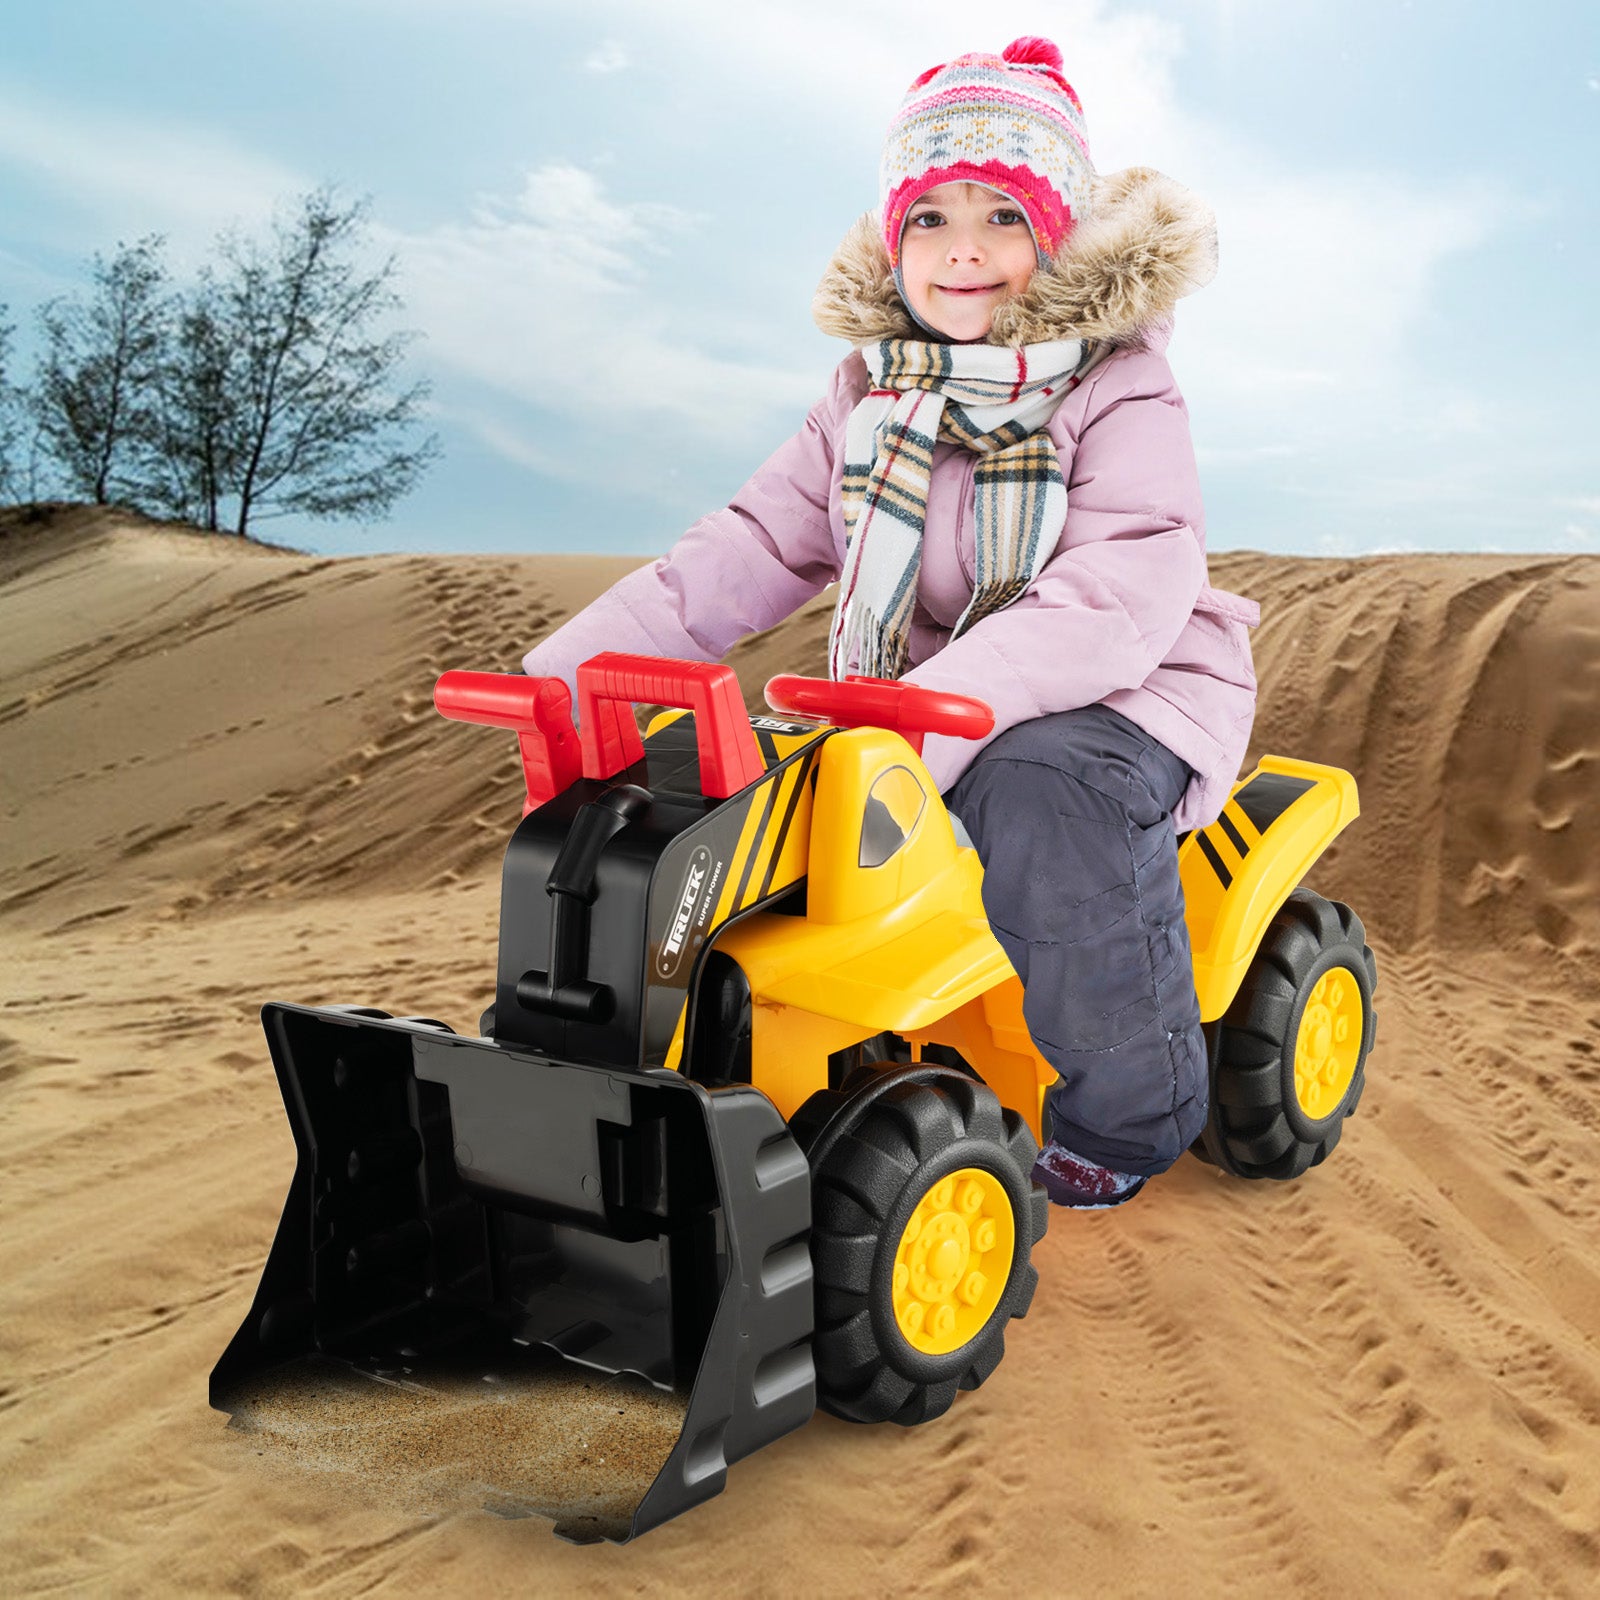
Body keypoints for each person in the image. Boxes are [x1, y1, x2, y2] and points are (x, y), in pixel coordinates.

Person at [520, 35, 1260, 1209]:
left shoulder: (1117, 385)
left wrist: (943, 703)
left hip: (1133, 685)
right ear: (891, 240)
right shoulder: (870, 396)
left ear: (1057, 239)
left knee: (1039, 794)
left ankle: (1129, 1111)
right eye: (929, 218)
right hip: (930, 692)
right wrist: (575, 674)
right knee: (734, 799)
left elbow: (1119, 588)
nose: (962, 245)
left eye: (1002, 215)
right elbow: (753, 545)